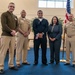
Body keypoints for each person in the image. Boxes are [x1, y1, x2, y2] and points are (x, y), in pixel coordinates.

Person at [0, 2, 19, 74]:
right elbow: (4, 25)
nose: (12, 8)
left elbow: (17, 26)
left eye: (13, 7)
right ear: (8, 7)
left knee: (12, 51)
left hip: (13, 36)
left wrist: (15, 31)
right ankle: (1, 67)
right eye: (11, 6)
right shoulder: (4, 14)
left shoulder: (15, 16)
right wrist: (11, 31)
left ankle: (11, 65)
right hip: (5, 35)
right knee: (3, 51)